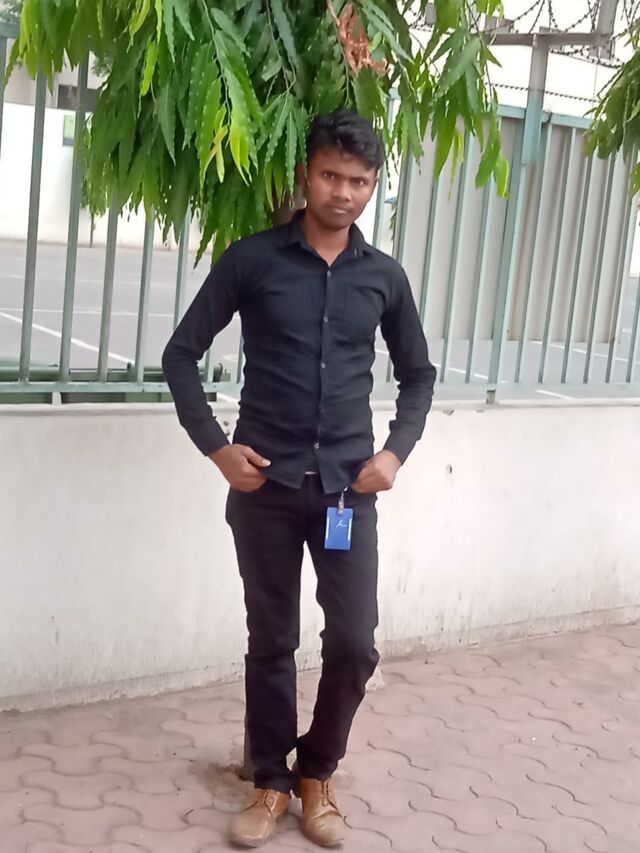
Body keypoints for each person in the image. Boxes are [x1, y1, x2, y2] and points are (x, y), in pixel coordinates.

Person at [162, 110, 437, 848]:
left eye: (359, 181)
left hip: (349, 490)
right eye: (330, 176)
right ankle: (270, 782)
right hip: (266, 490)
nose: (343, 193)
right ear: (305, 174)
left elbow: (418, 373)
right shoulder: (253, 261)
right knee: (272, 639)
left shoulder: (383, 278)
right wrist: (217, 448)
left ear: (372, 186)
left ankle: (317, 770)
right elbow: (180, 355)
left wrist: (395, 453)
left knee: (355, 643)